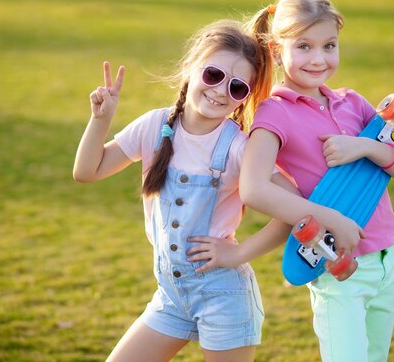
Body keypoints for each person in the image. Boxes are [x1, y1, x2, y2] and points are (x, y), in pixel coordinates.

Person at [72, 19, 356, 362]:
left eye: (237, 88)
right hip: (171, 296)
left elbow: (294, 210)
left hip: (224, 297)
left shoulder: (238, 148)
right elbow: (87, 171)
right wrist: (101, 120)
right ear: (191, 69)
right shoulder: (153, 127)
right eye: (213, 75)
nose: (221, 91)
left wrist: (237, 254)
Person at [194, 0, 394, 362]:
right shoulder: (274, 114)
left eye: (329, 45)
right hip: (338, 269)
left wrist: (366, 146)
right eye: (304, 46)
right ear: (276, 50)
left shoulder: (353, 103)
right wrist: (332, 219)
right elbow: (254, 189)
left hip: (389, 259)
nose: (318, 58)